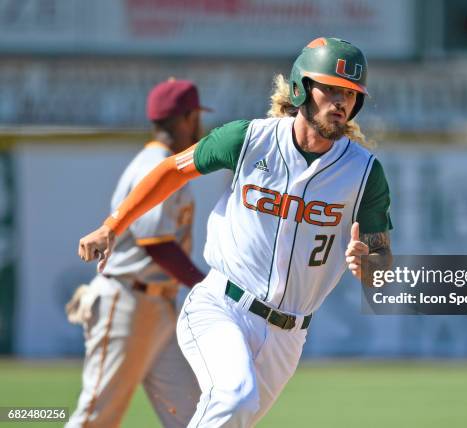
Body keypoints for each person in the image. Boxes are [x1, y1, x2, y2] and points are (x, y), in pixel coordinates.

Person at [78, 37, 393, 427]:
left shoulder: (364, 173)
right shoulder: (249, 138)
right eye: (329, 88)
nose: (340, 101)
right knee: (235, 398)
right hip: (221, 305)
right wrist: (112, 226)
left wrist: (371, 265)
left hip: (288, 337)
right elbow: (171, 171)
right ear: (301, 87)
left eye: (349, 92)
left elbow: (380, 263)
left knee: (229, 417)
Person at [66, 79, 210, 428]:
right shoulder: (155, 164)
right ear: (188, 117)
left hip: (158, 307)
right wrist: (205, 285)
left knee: (196, 415)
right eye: (197, 117)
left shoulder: (164, 163)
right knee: (95, 418)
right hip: (127, 300)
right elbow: (155, 241)